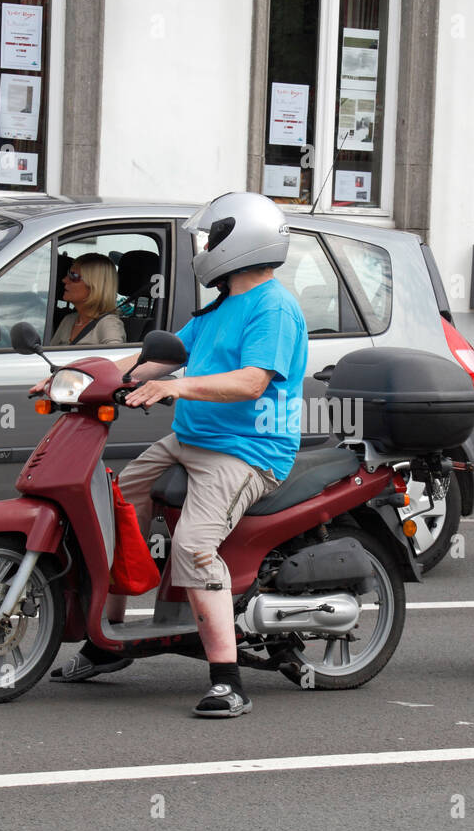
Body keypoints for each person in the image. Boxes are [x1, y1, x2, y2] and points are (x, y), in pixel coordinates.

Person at [50, 192, 307, 718]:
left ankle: (228, 681)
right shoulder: (219, 307)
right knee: (113, 510)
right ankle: (107, 643)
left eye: (212, 237)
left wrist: (175, 389)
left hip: (246, 449)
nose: (204, 246)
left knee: (192, 546)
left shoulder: (274, 307)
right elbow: (151, 359)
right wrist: (75, 378)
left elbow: (251, 382)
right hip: (189, 441)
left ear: (238, 242)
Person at [49, 253, 127, 346]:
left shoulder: (108, 324)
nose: (64, 280)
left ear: (94, 286)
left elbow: (115, 358)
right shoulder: (69, 320)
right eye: (68, 274)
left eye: (74, 276)